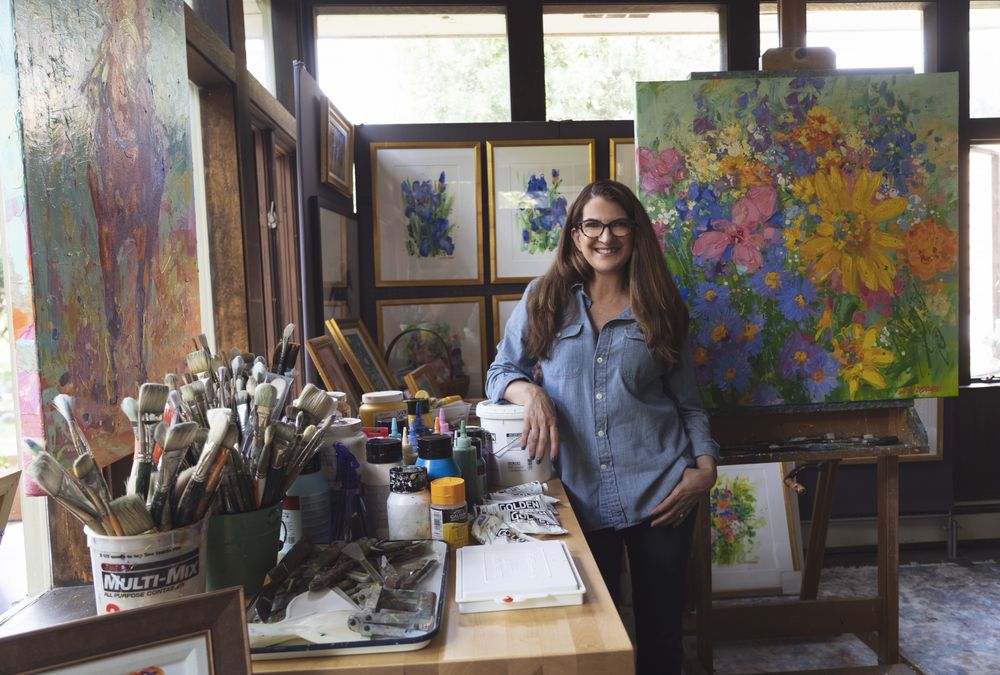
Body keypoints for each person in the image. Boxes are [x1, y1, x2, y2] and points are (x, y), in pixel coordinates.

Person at [485, 179, 719, 675]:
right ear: (575, 234)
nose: (604, 237)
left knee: (661, 636)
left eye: (617, 225)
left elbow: (689, 405)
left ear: (635, 234)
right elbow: (501, 371)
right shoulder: (544, 299)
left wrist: (705, 470)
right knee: (591, 637)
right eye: (592, 224)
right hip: (577, 499)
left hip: (662, 492)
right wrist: (533, 392)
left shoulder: (661, 306)